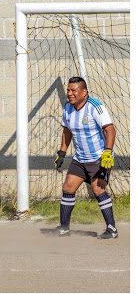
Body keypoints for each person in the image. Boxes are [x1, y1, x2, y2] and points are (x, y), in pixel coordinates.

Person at [54, 76, 117, 239]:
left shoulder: (95, 107)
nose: (69, 93)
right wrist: (62, 152)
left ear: (84, 92)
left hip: (99, 158)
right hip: (80, 158)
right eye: (68, 90)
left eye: (73, 90)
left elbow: (110, 129)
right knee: (68, 187)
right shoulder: (68, 108)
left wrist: (108, 152)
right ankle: (64, 228)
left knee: (98, 190)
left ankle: (112, 229)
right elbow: (67, 131)